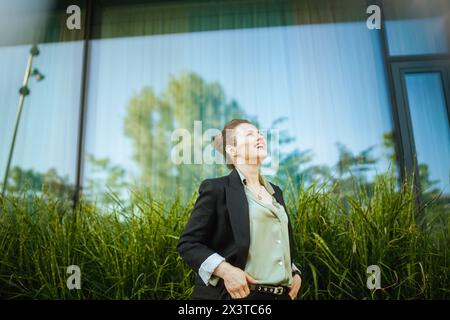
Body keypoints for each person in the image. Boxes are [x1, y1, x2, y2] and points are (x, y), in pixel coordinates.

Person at [177, 119, 302, 300]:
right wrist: (226, 271)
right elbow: (188, 244)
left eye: (259, 133)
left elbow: (272, 243)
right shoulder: (217, 189)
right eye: (250, 135)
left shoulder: (276, 192)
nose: (260, 137)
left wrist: (294, 272)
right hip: (240, 298)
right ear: (232, 150)